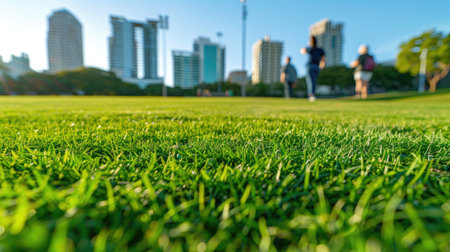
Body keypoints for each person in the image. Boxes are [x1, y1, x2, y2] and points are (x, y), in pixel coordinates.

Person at [301, 36, 326, 102]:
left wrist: (308, 45)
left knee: (310, 81)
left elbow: (302, 51)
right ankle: (312, 94)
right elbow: (323, 59)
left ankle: (311, 95)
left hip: (310, 66)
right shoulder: (320, 49)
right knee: (313, 81)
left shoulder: (309, 48)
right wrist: (322, 64)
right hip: (316, 66)